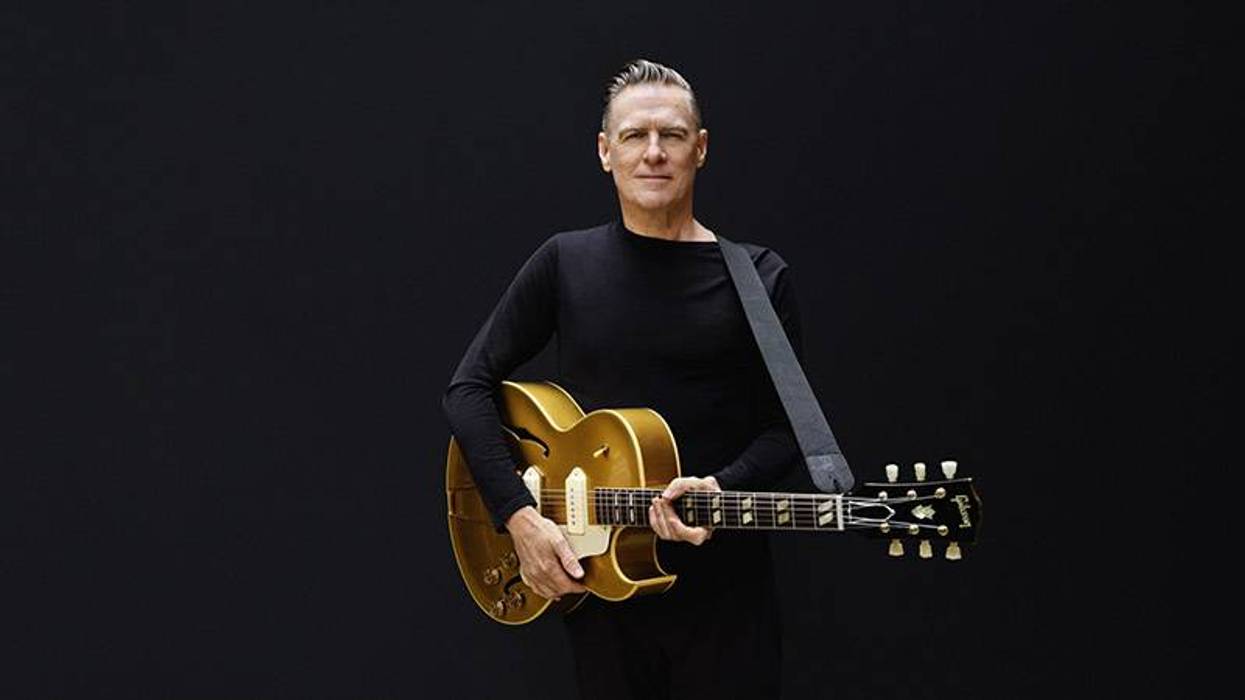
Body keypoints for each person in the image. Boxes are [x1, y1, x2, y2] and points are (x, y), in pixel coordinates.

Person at [442, 58, 805, 699]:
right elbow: (467, 388)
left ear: (701, 148)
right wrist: (521, 518)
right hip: (604, 591)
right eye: (635, 136)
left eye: (671, 135)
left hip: (728, 598)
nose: (654, 153)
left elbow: (788, 433)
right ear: (606, 152)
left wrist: (722, 488)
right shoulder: (564, 262)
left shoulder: (759, 276)